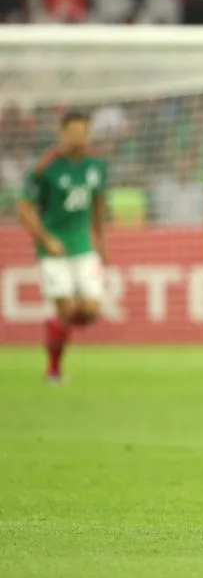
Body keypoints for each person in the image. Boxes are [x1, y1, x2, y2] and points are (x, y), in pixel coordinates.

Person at [16, 112, 106, 383]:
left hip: (83, 247)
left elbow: (99, 205)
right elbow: (23, 208)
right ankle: (54, 368)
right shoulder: (45, 167)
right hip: (53, 250)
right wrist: (45, 239)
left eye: (83, 132)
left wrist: (100, 241)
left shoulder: (97, 165)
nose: (79, 137)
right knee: (66, 309)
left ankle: (54, 327)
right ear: (62, 133)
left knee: (90, 311)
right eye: (74, 132)